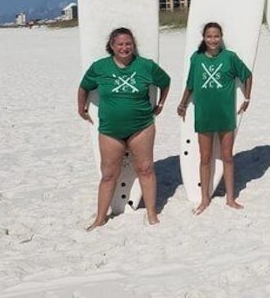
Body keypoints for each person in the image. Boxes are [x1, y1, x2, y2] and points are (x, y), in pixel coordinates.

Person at [77, 27, 170, 230]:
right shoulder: (99, 67)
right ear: (111, 46)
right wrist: (81, 107)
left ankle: (152, 213)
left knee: (145, 169)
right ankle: (101, 217)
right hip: (110, 130)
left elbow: (165, 82)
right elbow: (84, 86)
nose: (124, 47)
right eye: (119, 44)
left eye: (128, 43)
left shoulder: (146, 66)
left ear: (133, 45)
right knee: (109, 174)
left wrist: (161, 104)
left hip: (142, 126)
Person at [177, 22, 252, 215]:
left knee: (227, 157)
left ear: (221, 36)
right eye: (209, 36)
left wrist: (247, 97)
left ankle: (230, 198)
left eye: (216, 36)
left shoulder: (230, 57)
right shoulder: (196, 58)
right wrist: (183, 103)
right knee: (205, 158)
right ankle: (204, 199)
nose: (213, 40)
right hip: (204, 114)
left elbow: (247, 75)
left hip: (225, 114)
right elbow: (190, 84)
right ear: (204, 37)